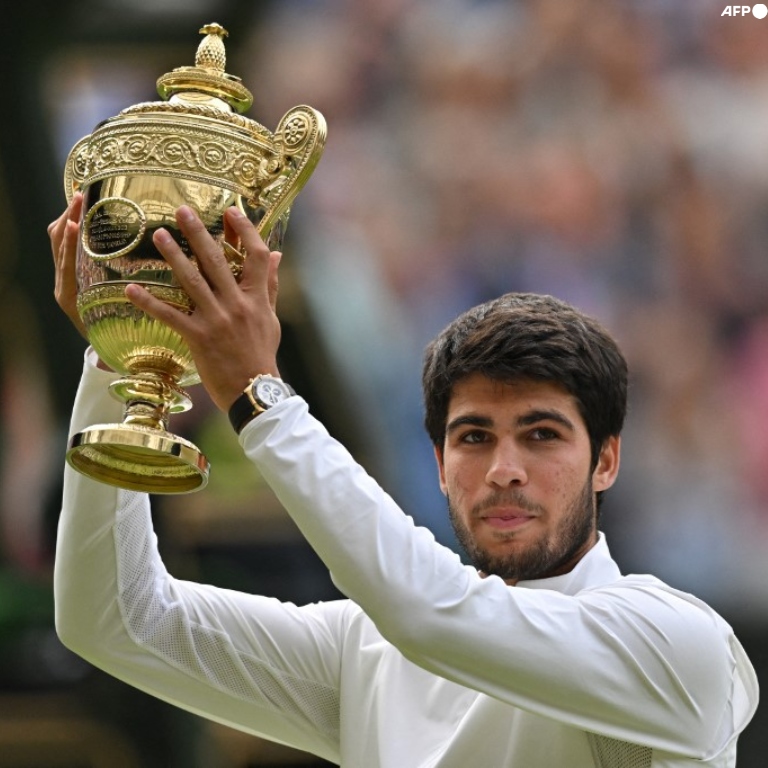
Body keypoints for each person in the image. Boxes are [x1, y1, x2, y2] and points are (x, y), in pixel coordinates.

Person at [51, 194, 758, 767]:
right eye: (473, 437)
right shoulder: (367, 651)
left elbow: (430, 615)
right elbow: (114, 619)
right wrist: (123, 354)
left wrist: (260, 398)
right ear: (440, 468)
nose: (504, 470)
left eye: (542, 435)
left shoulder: (680, 643)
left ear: (607, 460)